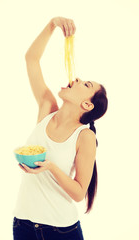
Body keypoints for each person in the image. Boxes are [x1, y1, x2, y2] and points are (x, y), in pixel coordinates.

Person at [12, 16, 108, 240]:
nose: (76, 79)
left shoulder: (84, 137)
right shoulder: (47, 108)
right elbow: (31, 59)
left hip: (60, 230)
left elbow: (78, 193)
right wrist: (52, 24)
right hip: (23, 224)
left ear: (87, 104)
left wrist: (50, 167)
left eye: (86, 84)